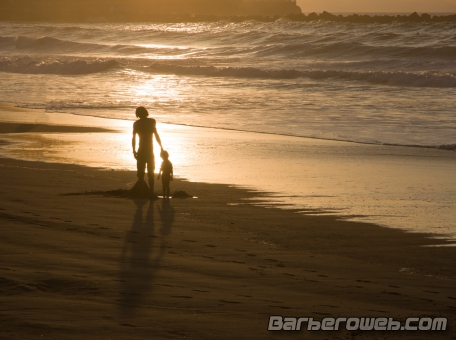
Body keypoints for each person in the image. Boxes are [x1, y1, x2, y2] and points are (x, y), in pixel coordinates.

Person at [132, 106, 163, 197]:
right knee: (151, 173)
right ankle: (151, 192)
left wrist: (134, 151)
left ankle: (141, 193)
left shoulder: (136, 124)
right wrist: (161, 147)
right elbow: (156, 135)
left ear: (137, 114)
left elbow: (133, 138)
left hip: (141, 150)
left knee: (141, 174)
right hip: (150, 150)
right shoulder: (152, 122)